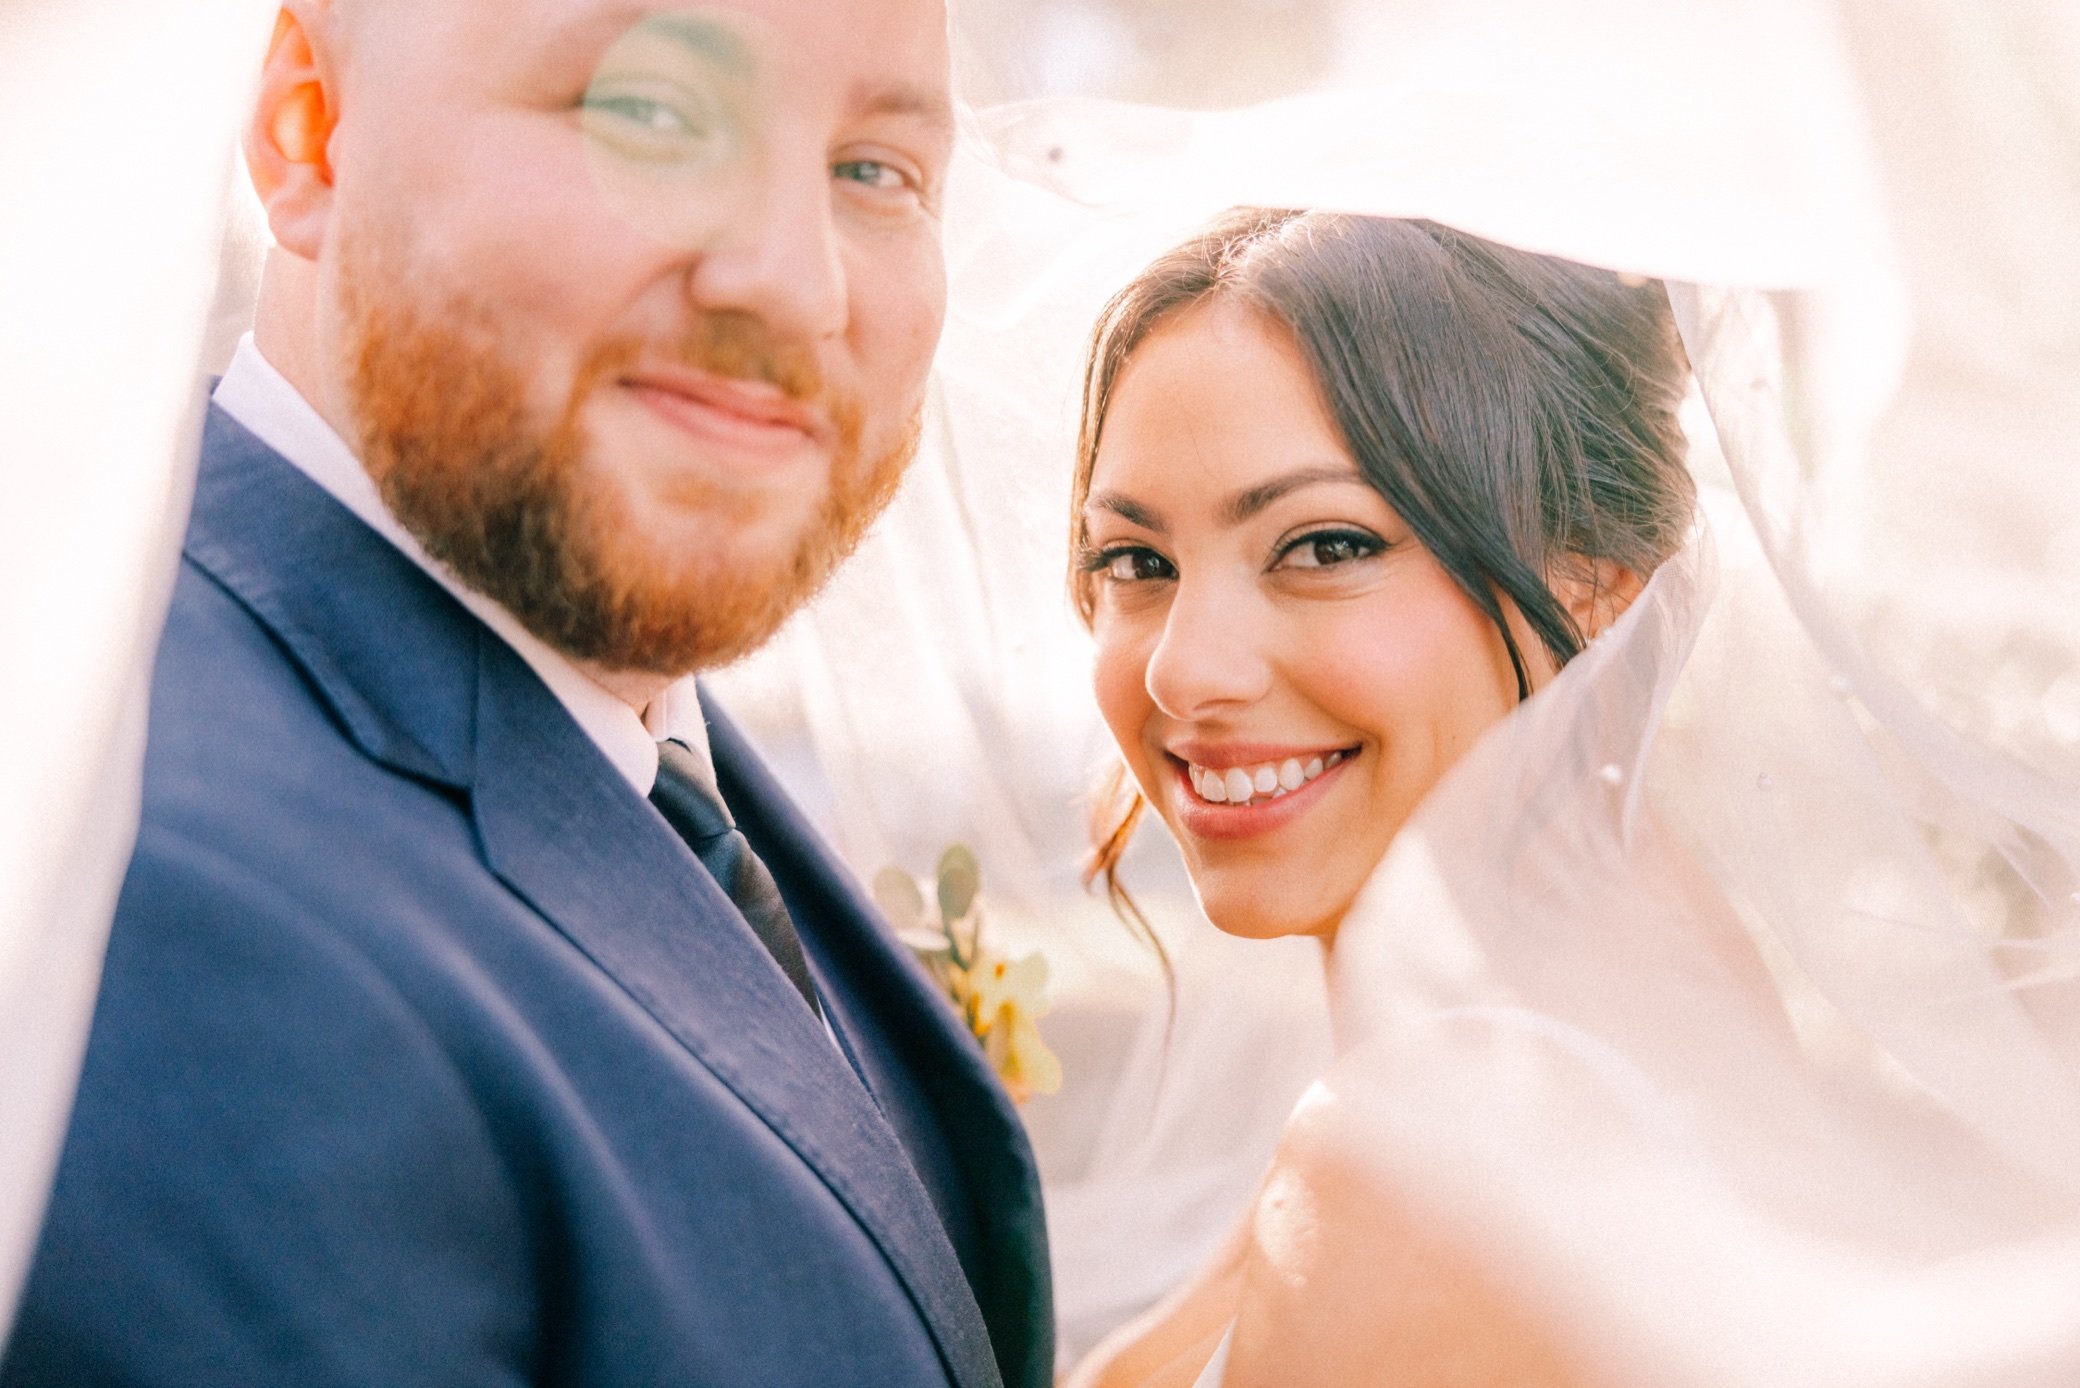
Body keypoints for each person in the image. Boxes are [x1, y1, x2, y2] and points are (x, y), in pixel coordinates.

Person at [0, 1, 1050, 1385]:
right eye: (653, 113)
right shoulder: (173, 914)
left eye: (875, 171)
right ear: (308, 129)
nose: (800, 286)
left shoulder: (639, 742)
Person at [1060, 209, 1694, 1387]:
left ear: (1597, 587)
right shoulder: (1578, 1048)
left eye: (1325, 544)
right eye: (1136, 562)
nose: (1183, 670)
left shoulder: (1430, 1165)